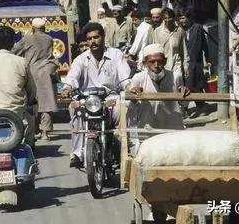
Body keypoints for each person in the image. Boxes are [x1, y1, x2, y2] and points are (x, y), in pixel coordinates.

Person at [63, 22, 131, 167]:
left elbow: (125, 77)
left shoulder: (116, 54)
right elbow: (72, 77)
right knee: (73, 107)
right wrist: (68, 87)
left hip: (110, 98)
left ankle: (121, 147)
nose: (93, 41)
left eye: (96, 37)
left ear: (103, 37)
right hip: (88, 99)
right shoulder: (81, 59)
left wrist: (130, 88)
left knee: (122, 107)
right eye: (89, 39)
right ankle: (77, 153)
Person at [13, 18, 58, 141]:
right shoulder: (49, 39)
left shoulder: (28, 39)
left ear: (32, 28)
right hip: (46, 72)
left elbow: (15, 50)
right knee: (46, 102)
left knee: (31, 103)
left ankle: (34, 131)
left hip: (31, 72)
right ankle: (45, 133)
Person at [128, 44, 188, 131]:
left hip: (173, 129)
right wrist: (133, 97)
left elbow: (185, 104)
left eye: (159, 61)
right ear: (145, 63)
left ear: (165, 61)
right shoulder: (139, 79)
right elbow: (130, 108)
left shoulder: (175, 77)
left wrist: (184, 94)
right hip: (148, 129)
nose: (156, 65)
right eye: (152, 62)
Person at [178, 9, 211, 116]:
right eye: (180, 18)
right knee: (184, 86)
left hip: (196, 62)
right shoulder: (179, 31)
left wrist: (208, 59)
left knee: (196, 86)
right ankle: (185, 109)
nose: (182, 21)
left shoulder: (197, 28)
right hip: (183, 63)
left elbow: (204, 44)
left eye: (183, 18)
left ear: (189, 18)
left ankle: (201, 107)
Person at [150, 8, 189, 86]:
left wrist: (186, 66)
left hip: (176, 63)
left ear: (174, 18)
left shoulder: (180, 31)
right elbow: (155, 50)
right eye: (165, 18)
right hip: (163, 65)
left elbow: (184, 51)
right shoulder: (157, 32)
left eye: (169, 17)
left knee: (177, 81)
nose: (167, 20)